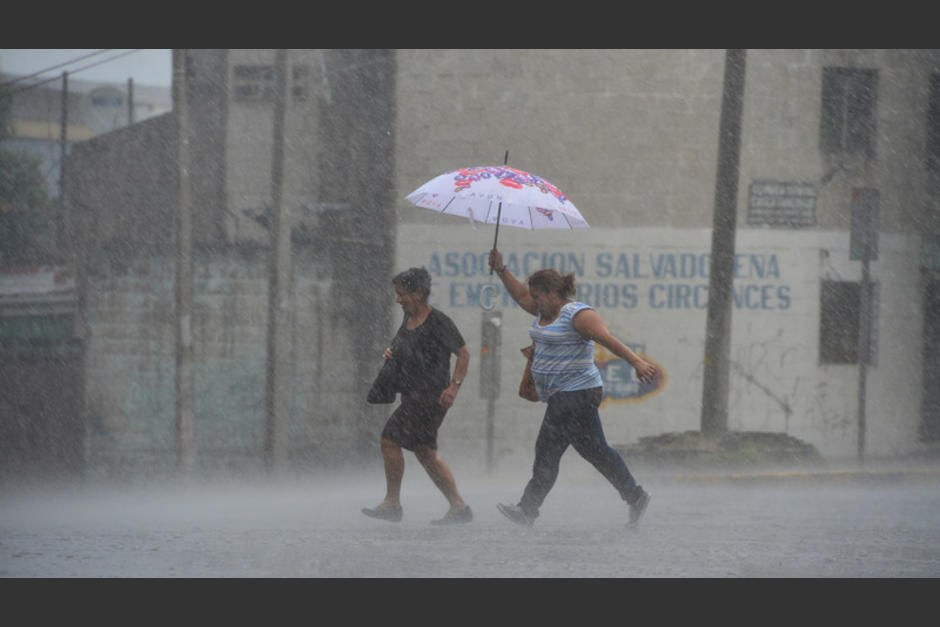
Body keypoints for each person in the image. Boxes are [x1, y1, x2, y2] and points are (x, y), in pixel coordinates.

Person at [488, 248, 659, 528]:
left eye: (538, 296)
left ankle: (528, 509)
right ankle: (635, 495)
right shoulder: (544, 311)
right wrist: (501, 269)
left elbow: (608, 339)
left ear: (553, 293)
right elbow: (519, 296)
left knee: (547, 449)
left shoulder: (577, 315)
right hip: (561, 395)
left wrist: (636, 362)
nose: (533, 301)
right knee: (597, 452)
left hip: (577, 393)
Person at [361, 267, 473, 525]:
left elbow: (464, 353)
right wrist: (391, 354)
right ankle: (459, 507)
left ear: (418, 293)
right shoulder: (408, 319)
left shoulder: (438, 322)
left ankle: (392, 504)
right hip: (411, 394)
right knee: (425, 453)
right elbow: (403, 347)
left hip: (430, 398)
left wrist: (453, 387)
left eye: (402, 294)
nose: (398, 299)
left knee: (389, 439)